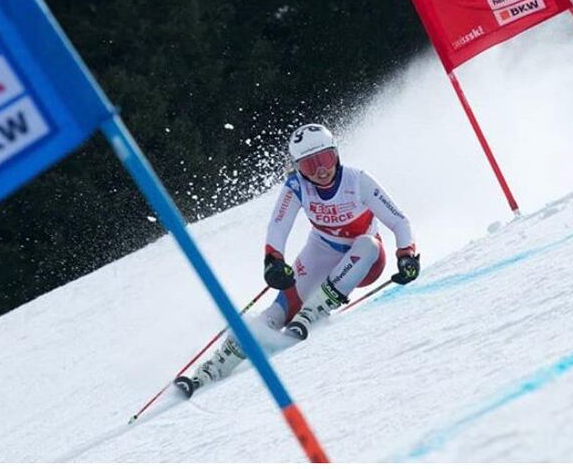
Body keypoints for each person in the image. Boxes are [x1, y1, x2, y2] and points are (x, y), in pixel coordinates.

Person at [174, 123, 419, 398]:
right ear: (298, 168)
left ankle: (313, 311)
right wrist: (273, 260)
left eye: (325, 159)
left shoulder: (358, 181)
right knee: (277, 311)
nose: (320, 170)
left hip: (365, 262)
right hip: (322, 252)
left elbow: (399, 221)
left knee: (367, 244)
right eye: (309, 165)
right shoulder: (297, 186)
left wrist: (406, 255)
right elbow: (278, 226)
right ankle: (213, 368)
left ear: (336, 155)